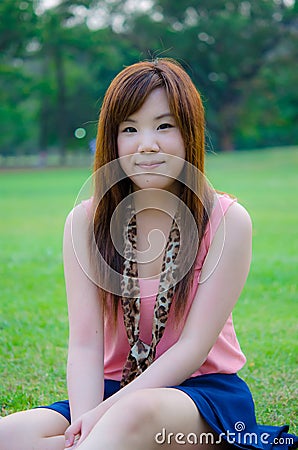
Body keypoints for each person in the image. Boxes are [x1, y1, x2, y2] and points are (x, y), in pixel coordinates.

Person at [0, 58, 296, 450]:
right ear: (112, 141)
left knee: (131, 416)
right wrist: (89, 418)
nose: (147, 144)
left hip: (200, 397)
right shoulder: (84, 223)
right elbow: (85, 344)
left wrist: (107, 415)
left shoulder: (227, 222)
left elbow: (193, 349)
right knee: (9, 435)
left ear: (188, 132)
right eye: (129, 129)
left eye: (163, 126)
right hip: (112, 390)